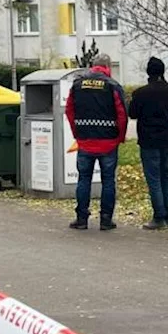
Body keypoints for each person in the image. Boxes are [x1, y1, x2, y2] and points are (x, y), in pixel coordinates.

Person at [65, 54, 127, 231]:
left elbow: (69, 110)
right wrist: (119, 137)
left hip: (85, 141)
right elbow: (121, 114)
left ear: (93, 66)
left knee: (83, 179)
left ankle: (81, 219)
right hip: (108, 142)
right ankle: (106, 220)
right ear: (108, 67)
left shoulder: (77, 85)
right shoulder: (113, 86)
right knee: (108, 181)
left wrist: (77, 132)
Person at [128, 56, 168, 230]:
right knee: (166, 177)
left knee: (154, 179)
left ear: (148, 72)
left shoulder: (141, 93)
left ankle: (159, 217)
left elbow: (133, 113)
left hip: (149, 140)